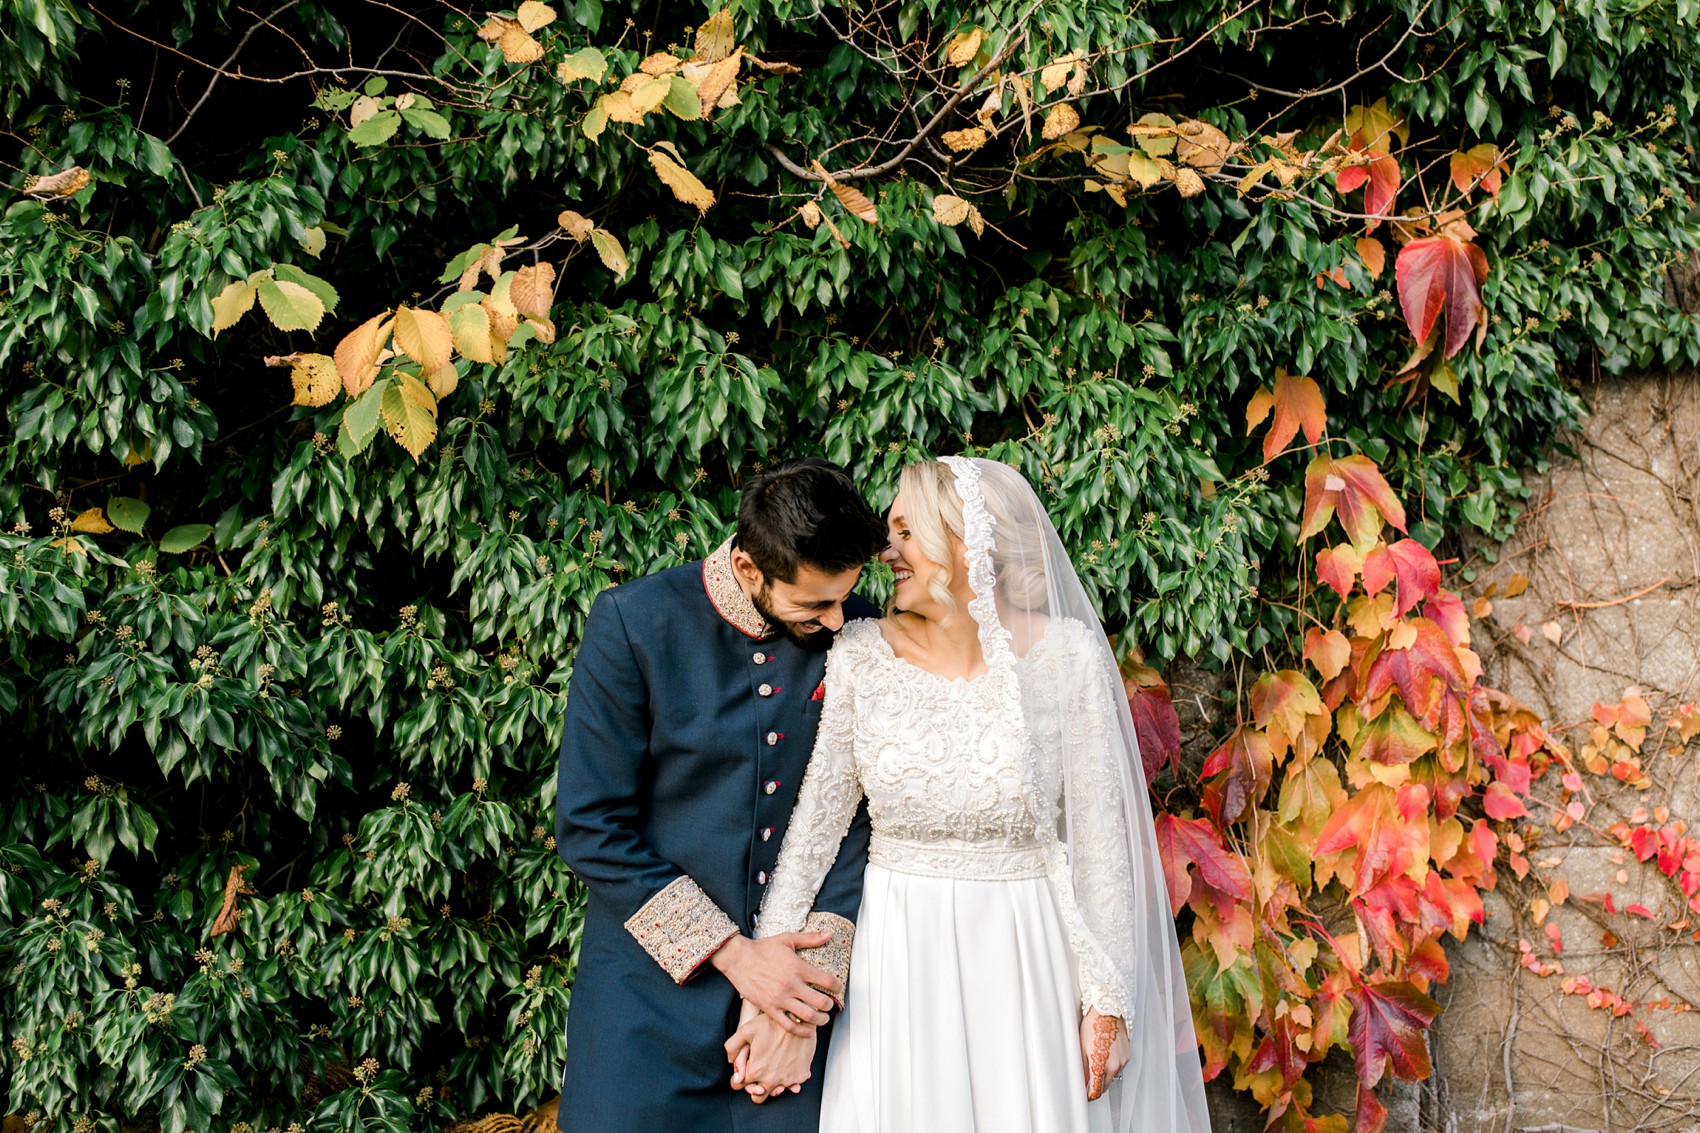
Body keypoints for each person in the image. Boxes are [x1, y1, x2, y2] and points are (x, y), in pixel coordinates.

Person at [730, 456, 1213, 1133]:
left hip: (1027, 954)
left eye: (905, 531)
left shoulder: (1067, 656)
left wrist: (1109, 1002)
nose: (885, 550)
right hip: (899, 961)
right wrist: (770, 989)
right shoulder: (861, 654)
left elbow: (1103, 845)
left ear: (964, 543)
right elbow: (812, 834)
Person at [553, 457, 888, 1132]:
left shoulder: (859, 628)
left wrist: (797, 1005)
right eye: (814, 603)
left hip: (790, 1018)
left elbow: (859, 818)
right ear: (748, 568)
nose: (835, 622)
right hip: (643, 1011)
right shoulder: (633, 623)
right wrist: (737, 958)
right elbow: (591, 825)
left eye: (845, 597)